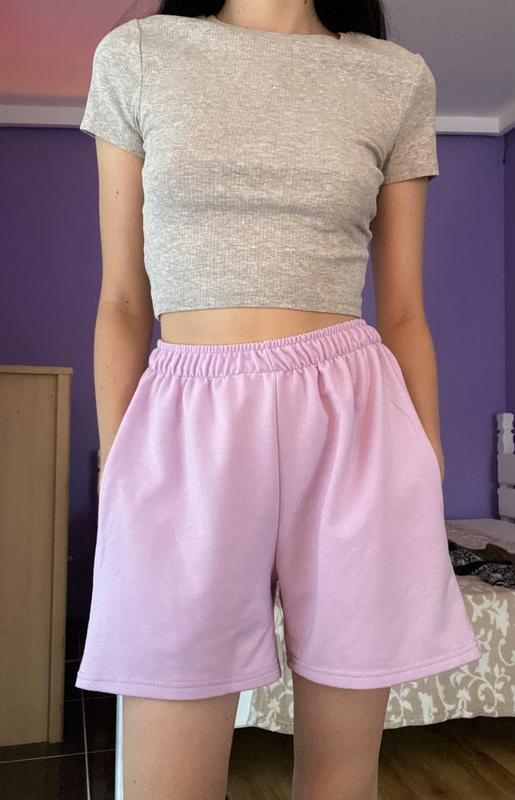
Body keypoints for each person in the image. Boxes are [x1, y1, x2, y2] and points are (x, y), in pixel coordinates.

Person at [75, 2, 481, 798]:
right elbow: (122, 301)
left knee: (340, 781)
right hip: (187, 422)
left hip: (353, 426)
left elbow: (403, 311)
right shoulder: (139, 54)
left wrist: (422, 465)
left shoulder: (393, 77)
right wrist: (123, 467)